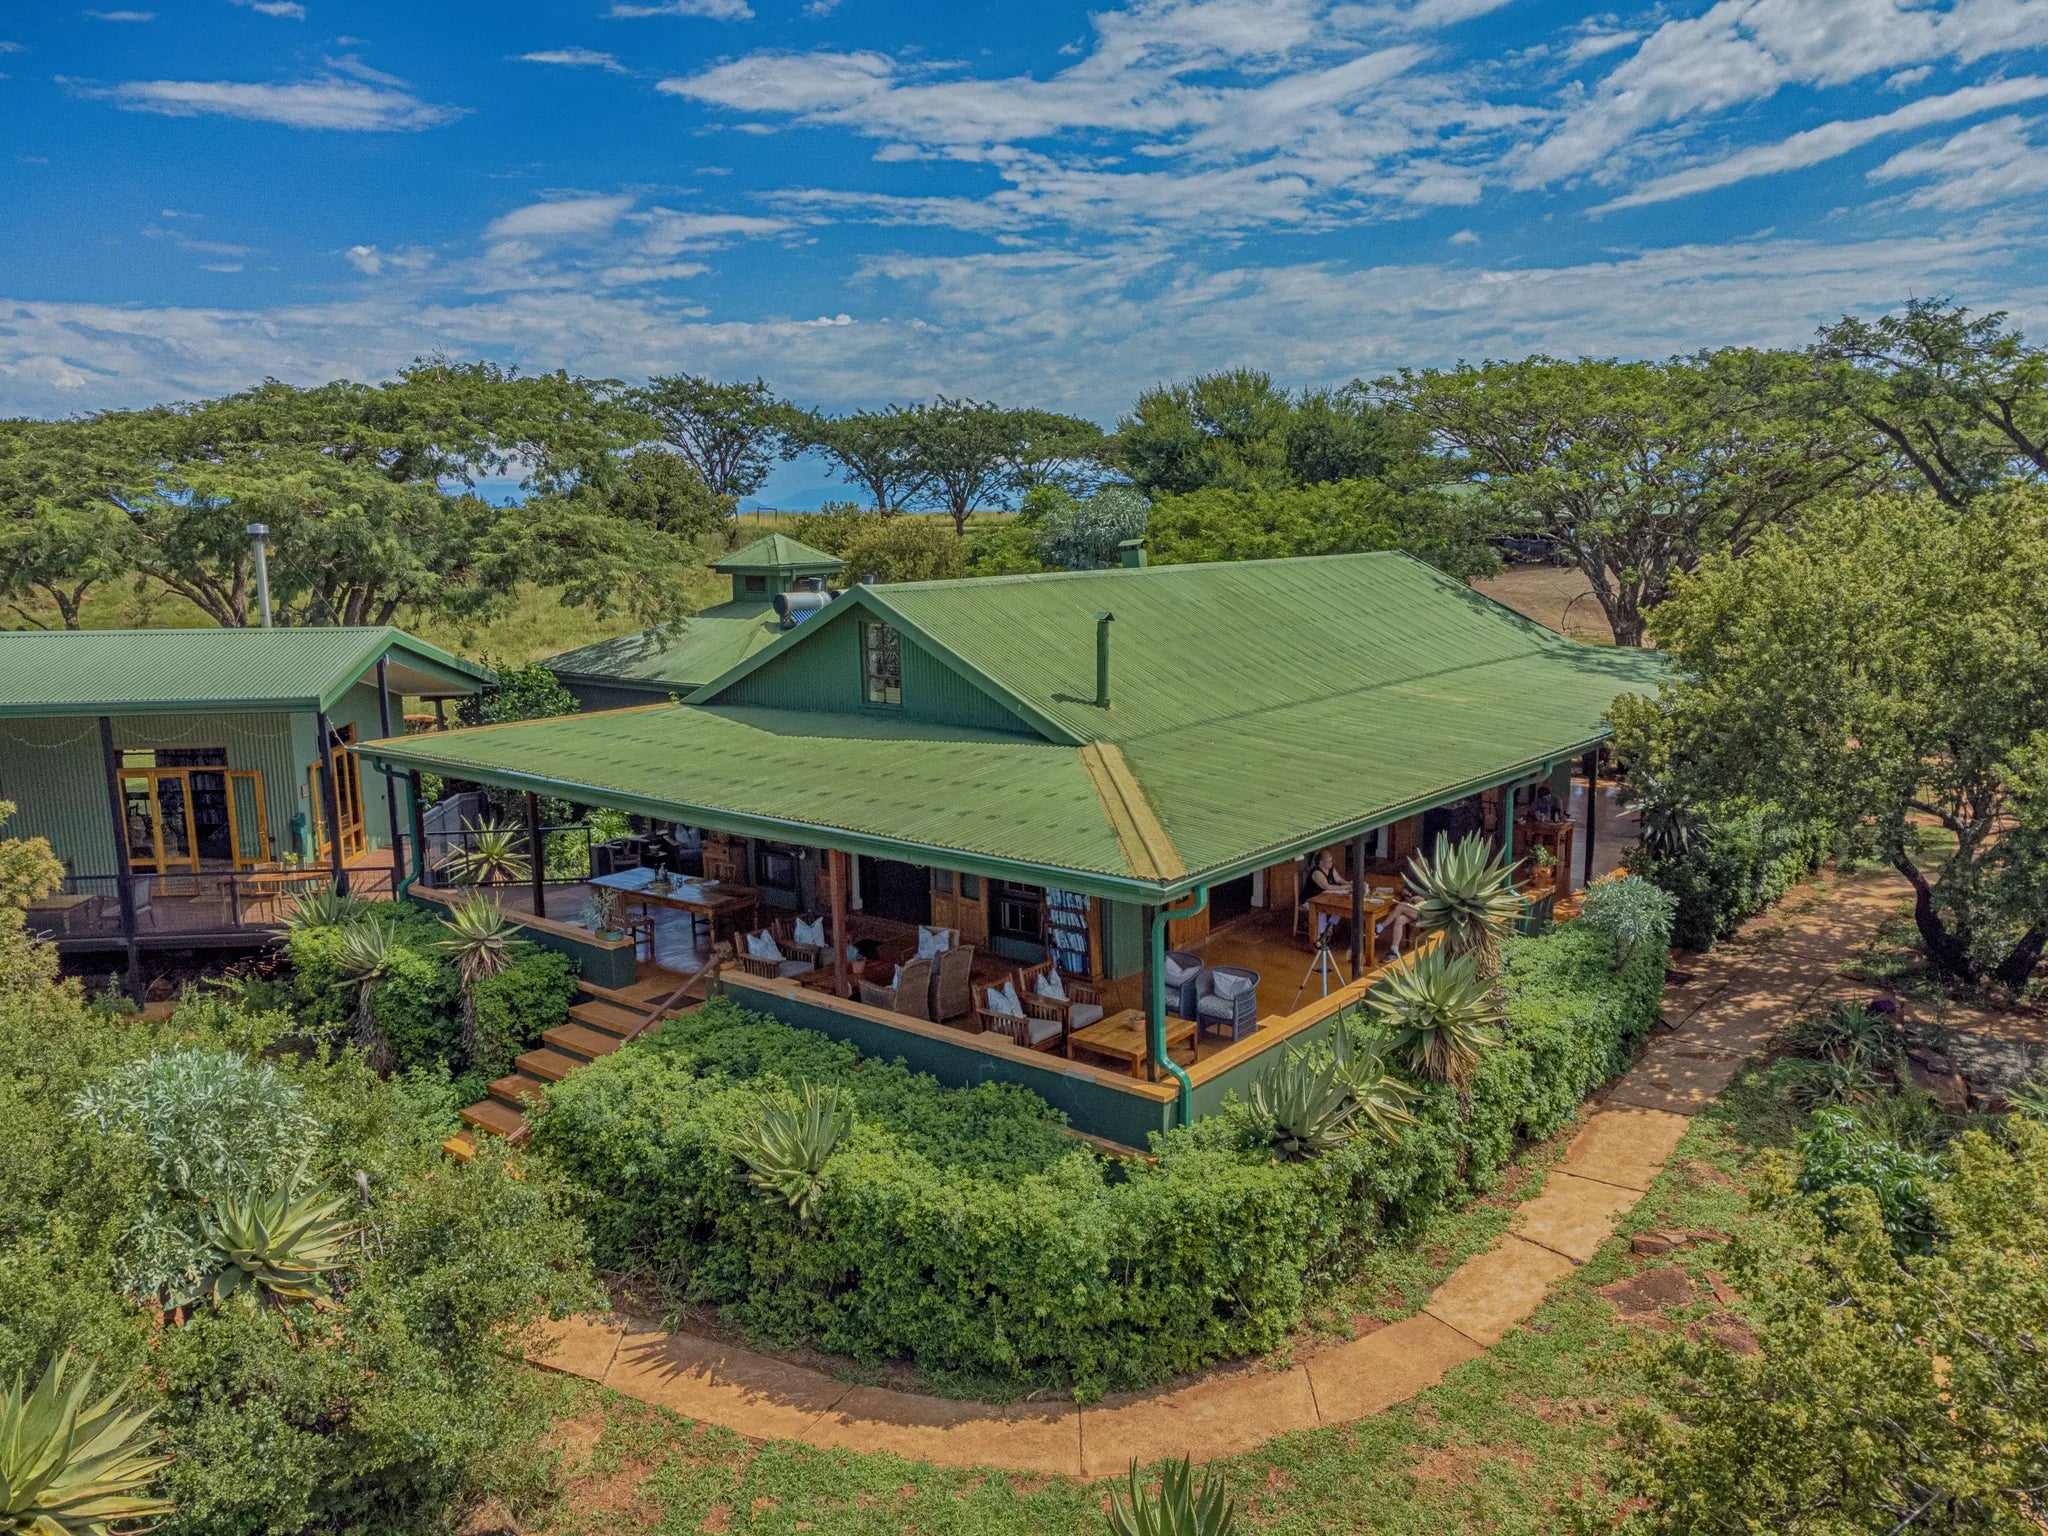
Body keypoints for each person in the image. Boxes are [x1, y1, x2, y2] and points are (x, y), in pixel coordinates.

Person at [1301, 848, 1349, 941]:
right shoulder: (1316, 872)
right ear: (1321, 862)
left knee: (1340, 906)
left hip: (1325, 898)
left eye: (1331, 861)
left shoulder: (1331, 869)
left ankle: (1330, 925)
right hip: (1310, 900)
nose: (1330, 863)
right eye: (1328, 862)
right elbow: (1327, 887)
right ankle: (1320, 936)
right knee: (1321, 909)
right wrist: (1345, 888)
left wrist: (1348, 883)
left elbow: (1339, 880)